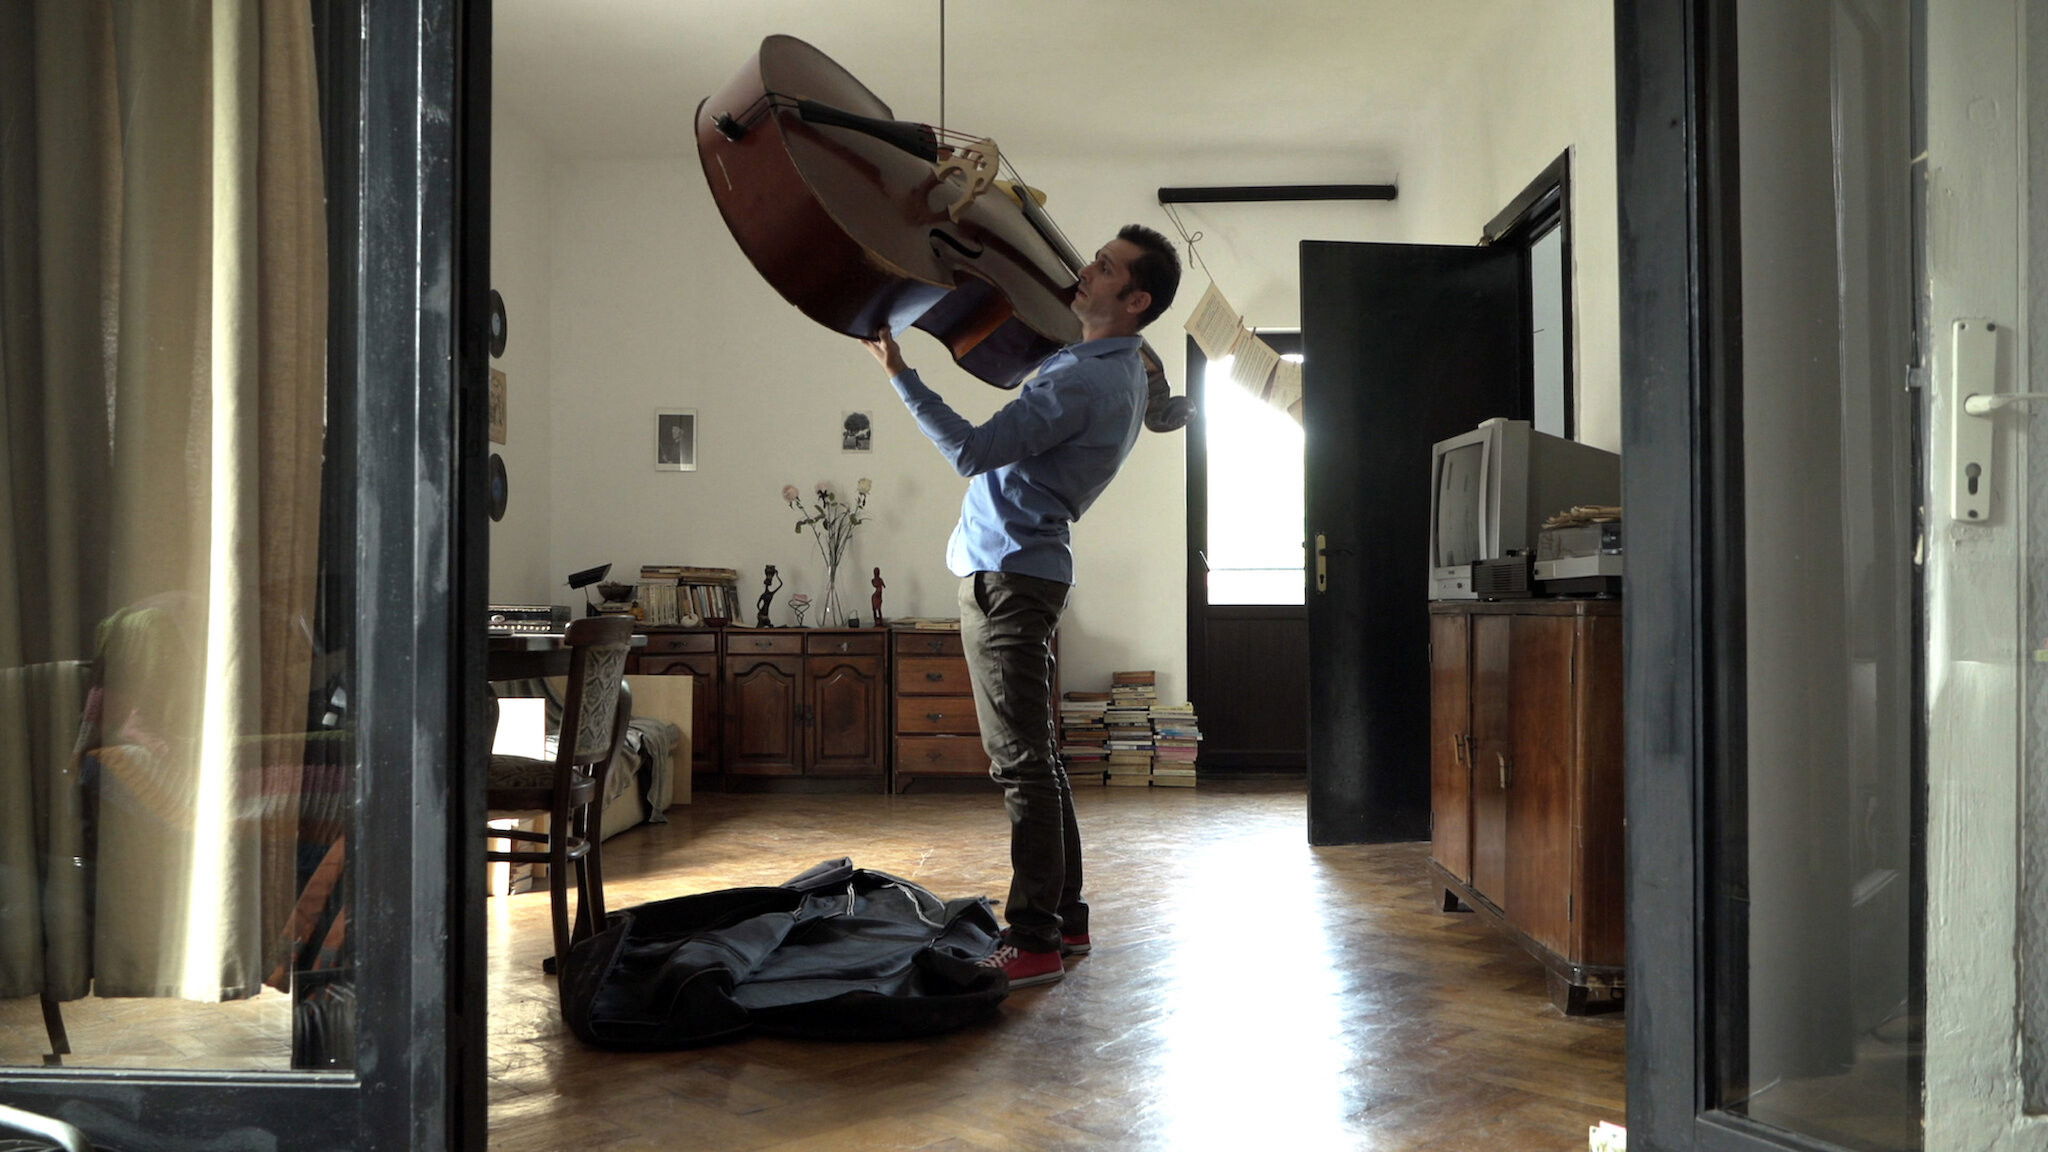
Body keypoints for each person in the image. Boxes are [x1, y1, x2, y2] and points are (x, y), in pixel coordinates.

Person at [861, 223, 1180, 988]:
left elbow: (972, 451)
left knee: (1021, 765)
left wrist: (899, 371)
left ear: (1135, 300)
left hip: (1007, 576)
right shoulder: (1115, 367)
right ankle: (1066, 918)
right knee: (1039, 760)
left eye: (1105, 268)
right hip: (1024, 570)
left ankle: (1033, 937)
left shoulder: (1084, 380)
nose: (1085, 269)